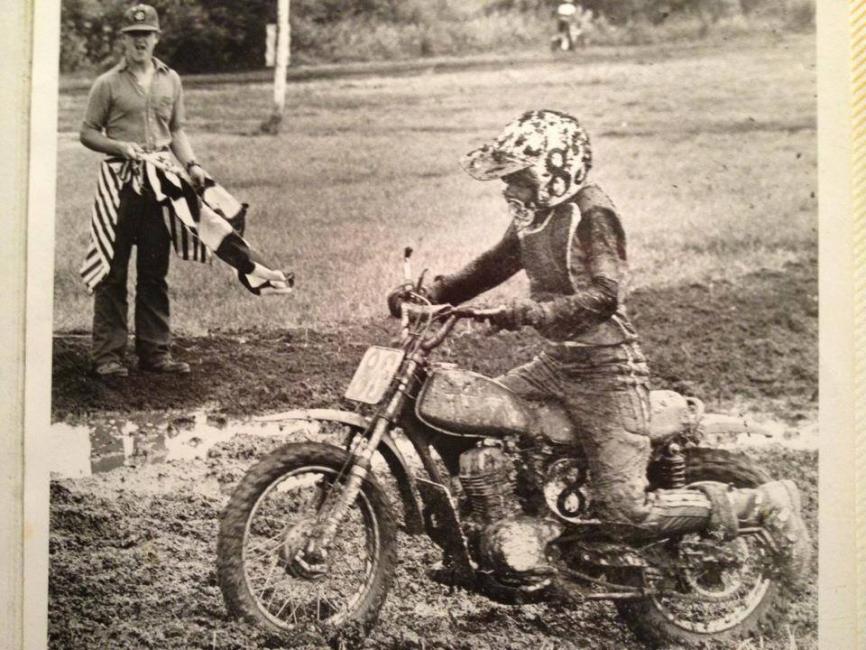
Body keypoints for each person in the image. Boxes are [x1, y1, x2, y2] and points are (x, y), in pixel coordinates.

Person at [388, 109, 810, 584]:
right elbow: (494, 264)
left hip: (608, 369)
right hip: (557, 363)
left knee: (625, 511)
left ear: (551, 171)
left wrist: (533, 314)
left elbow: (607, 294)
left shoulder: (591, 214)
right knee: (463, 417)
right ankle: (520, 535)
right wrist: (433, 296)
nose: (509, 188)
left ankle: (764, 504)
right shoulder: (534, 216)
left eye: (519, 178)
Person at [79, 4, 291, 378]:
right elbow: (88, 133)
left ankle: (155, 353)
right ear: (124, 40)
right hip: (120, 185)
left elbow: (176, 130)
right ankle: (108, 356)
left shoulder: (170, 79)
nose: (140, 41)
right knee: (113, 270)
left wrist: (192, 166)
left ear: (157, 38)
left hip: (162, 184)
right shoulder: (107, 83)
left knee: (154, 269)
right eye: (133, 35)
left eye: (146, 35)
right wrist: (120, 147)